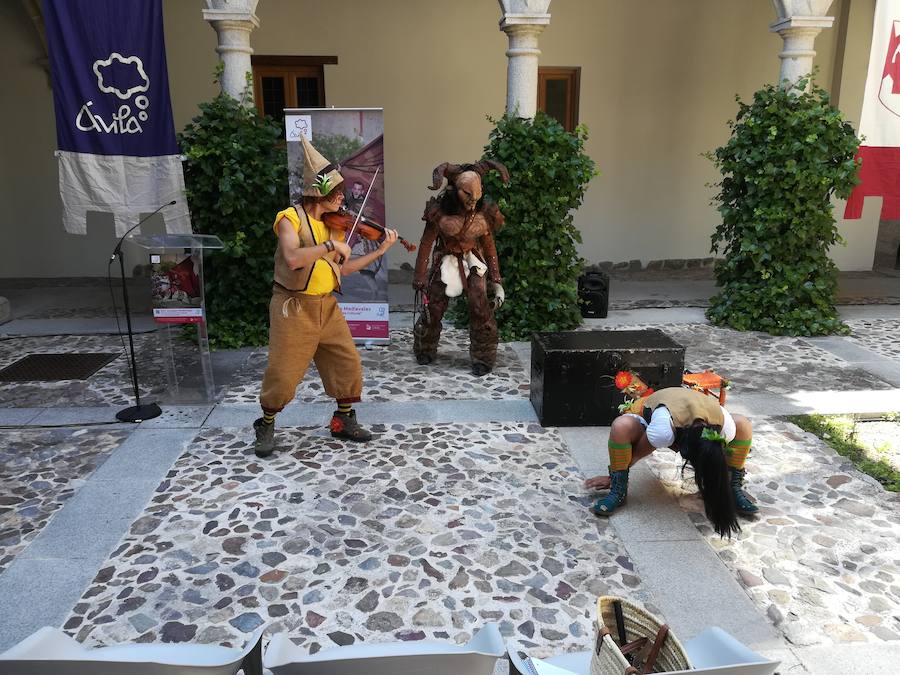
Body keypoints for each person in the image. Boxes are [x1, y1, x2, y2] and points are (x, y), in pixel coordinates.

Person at [253, 135, 398, 458]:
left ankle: (343, 419)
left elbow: (344, 270)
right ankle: (265, 423)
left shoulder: (335, 225)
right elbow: (293, 258)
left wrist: (382, 250)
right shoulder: (289, 219)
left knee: (346, 363)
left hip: (327, 306)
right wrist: (329, 247)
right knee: (283, 372)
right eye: (338, 193)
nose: (343, 199)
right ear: (320, 193)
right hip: (294, 308)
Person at [584, 386, 758, 537]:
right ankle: (618, 490)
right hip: (655, 409)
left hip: (695, 411)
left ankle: (733, 486)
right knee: (621, 426)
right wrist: (614, 475)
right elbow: (638, 453)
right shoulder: (663, 431)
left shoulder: (726, 429)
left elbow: (714, 459)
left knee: (743, 424)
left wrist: (721, 486)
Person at [412, 160, 509, 376]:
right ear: (454, 190)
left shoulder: (484, 215)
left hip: (473, 262)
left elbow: (489, 246)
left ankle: (483, 357)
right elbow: (427, 243)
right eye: (467, 194)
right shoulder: (439, 214)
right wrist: (420, 277)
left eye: (477, 194)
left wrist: (496, 279)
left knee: (480, 307)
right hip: (445, 260)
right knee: (434, 307)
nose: (473, 201)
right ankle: (425, 348)